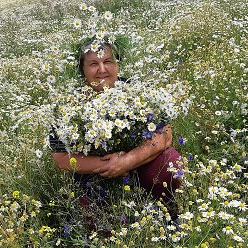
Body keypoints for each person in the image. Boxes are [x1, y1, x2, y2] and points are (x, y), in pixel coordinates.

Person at [50, 42, 181, 220]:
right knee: (103, 226)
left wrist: (127, 161)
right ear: (82, 69)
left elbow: (165, 135)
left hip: (142, 163)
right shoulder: (67, 104)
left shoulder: (135, 89)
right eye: (93, 63)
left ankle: (173, 218)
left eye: (108, 61)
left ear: (117, 64)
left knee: (170, 166)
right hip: (97, 173)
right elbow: (61, 158)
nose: (102, 69)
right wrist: (108, 166)